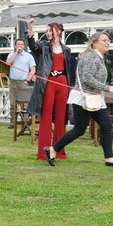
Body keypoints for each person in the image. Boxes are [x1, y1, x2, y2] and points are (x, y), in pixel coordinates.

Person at [44, 32, 113, 167]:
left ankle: (109, 158)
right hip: (84, 99)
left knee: (106, 126)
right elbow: (86, 78)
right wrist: (107, 88)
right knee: (79, 130)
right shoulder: (91, 57)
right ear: (94, 43)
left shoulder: (97, 57)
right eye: (104, 40)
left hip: (95, 99)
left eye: (109, 40)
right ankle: (52, 149)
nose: (108, 42)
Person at [26, 18, 75, 163]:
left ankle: (59, 152)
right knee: (46, 117)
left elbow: (69, 70)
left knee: (60, 118)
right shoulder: (44, 46)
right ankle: (43, 152)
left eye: (50, 30)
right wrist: (30, 29)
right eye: (47, 31)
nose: (47, 33)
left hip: (63, 83)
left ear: (58, 31)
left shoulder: (67, 49)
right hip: (48, 83)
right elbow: (33, 46)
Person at [5, 38, 36, 129]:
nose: (20, 46)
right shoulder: (11, 54)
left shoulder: (28, 56)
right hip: (13, 82)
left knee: (25, 104)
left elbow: (33, 69)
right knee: (12, 103)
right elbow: (8, 63)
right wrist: (16, 53)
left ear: (24, 46)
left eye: (21, 44)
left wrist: (28, 79)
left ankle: (25, 123)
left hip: (23, 82)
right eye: (18, 44)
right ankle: (13, 122)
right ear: (15, 46)